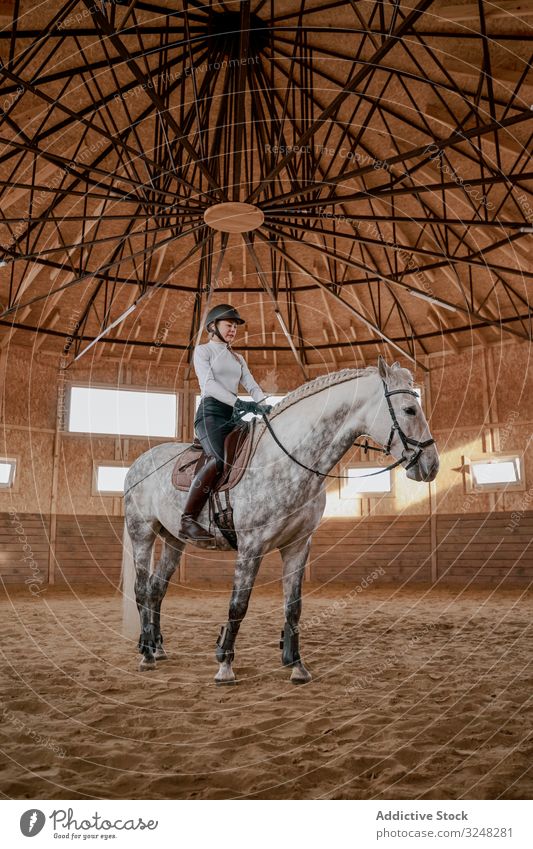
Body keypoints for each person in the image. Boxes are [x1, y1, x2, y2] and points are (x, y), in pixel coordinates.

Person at [179, 303, 272, 544]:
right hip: (210, 414)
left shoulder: (237, 357)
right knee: (219, 460)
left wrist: (264, 405)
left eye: (235, 327)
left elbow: (251, 385)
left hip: (233, 415)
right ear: (213, 326)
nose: (233, 330)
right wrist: (239, 402)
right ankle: (188, 520)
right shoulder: (203, 351)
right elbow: (208, 385)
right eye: (229, 325)